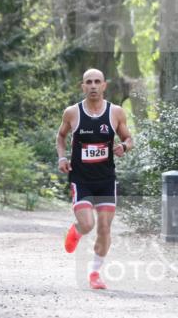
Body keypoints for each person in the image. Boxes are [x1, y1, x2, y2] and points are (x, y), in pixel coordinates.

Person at [56, 68, 133, 290]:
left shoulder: (116, 112)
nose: (92, 85)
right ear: (83, 86)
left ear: (104, 85)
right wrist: (62, 158)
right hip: (81, 179)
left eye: (97, 81)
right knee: (88, 224)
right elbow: (61, 136)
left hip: (106, 179)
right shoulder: (72, 113)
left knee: (105, 228)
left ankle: (95, 273)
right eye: (88, 82)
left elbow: (129, 138)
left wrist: (124, 147)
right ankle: (77, 230)